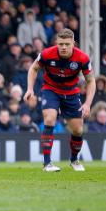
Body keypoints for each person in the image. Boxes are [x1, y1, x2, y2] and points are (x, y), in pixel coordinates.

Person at [24, 28, 95, 172]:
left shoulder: (82, 58)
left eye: (67, 44)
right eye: (60, 44)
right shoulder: (46, 54)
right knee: (49, 119)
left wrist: (87, 103)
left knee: (78, 130)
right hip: (51, 90)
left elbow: (91, 81)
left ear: (73, 44)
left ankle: (74, 160)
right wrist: (30, 89)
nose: (63, 47)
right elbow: (33, 69)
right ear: (56, 42)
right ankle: (47, 163)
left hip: (71, 92)